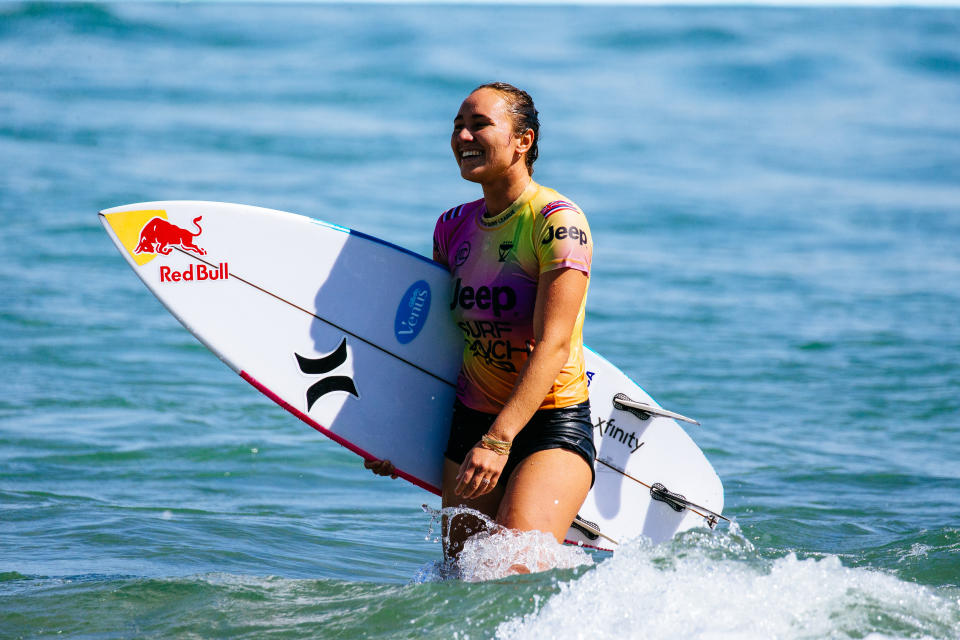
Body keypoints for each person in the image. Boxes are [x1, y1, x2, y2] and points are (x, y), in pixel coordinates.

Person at [366, 82, 595, 565]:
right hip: (471, 418)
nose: (463, 136)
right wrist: (394, 438)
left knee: (509, 570)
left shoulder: (557, 222)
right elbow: (436, 343)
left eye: (479, 124)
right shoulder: (451, 226)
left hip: (548, 421)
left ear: (523, 141)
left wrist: (498, 439)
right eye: (457, 127)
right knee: (464, 580)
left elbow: (554, 345)